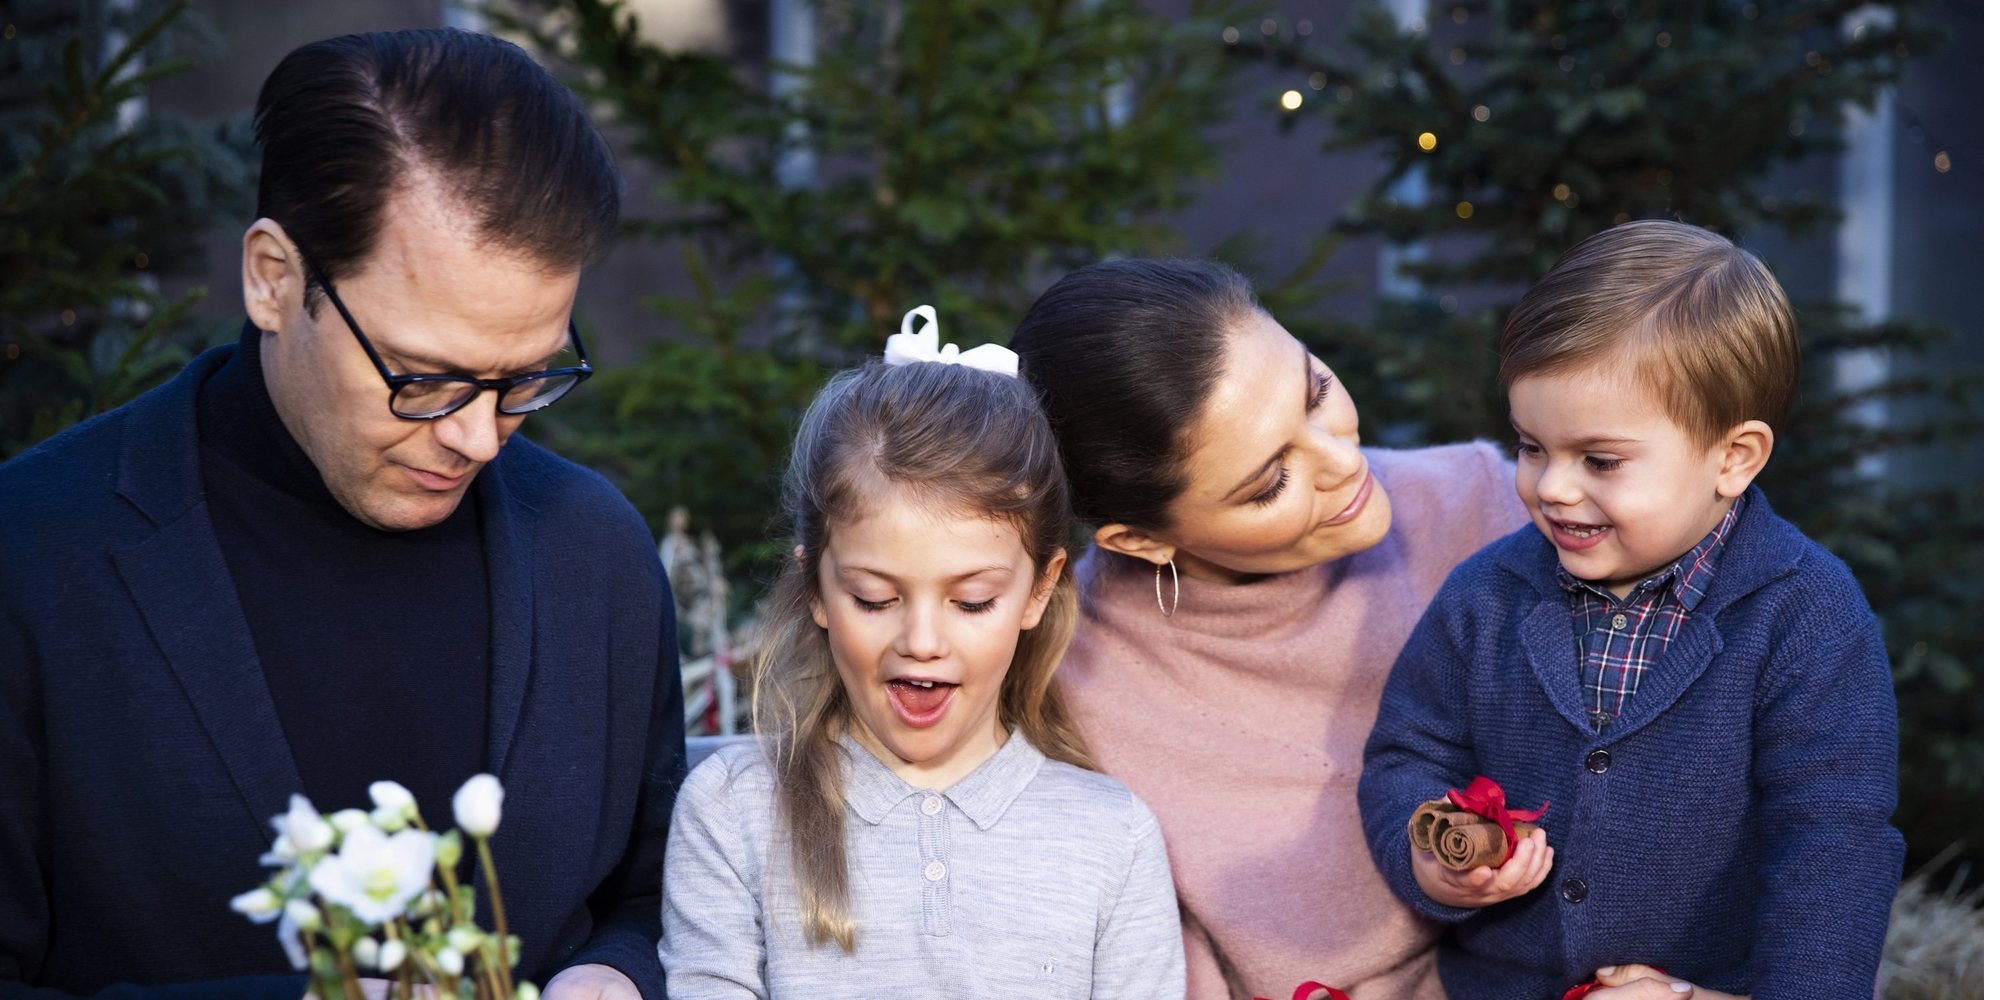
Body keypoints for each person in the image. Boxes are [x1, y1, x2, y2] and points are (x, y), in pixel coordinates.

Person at [0, 30, 682, 1000]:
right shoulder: (31, 555)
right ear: (275, 278)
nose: (483, 439)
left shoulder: (592, 548)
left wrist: (614, 975)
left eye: (526, 377)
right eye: (427, 378)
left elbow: (658, 897)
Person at [1357, 221, 1903, 1000]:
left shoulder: (1806, 615)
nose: (1551, 487)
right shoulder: (1487, 596)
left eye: (1599, 460)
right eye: (1532, 446)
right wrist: (1434, 859)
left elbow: (1833, 841)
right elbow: (1409, 753)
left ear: (1732, 458)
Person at [1009, 259, 1527, 1000]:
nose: (1345, 462)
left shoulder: (1493, 509)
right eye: (1269, 482)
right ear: (1141, 542)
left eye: (1316, 394)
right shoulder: (1070, 695)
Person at [658, 310, 1184, 998]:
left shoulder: (1113, 836)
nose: (923, 643)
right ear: (816, 585)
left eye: (971, 603)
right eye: (875, 599)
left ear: (1039, 590)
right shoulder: (732, 811)